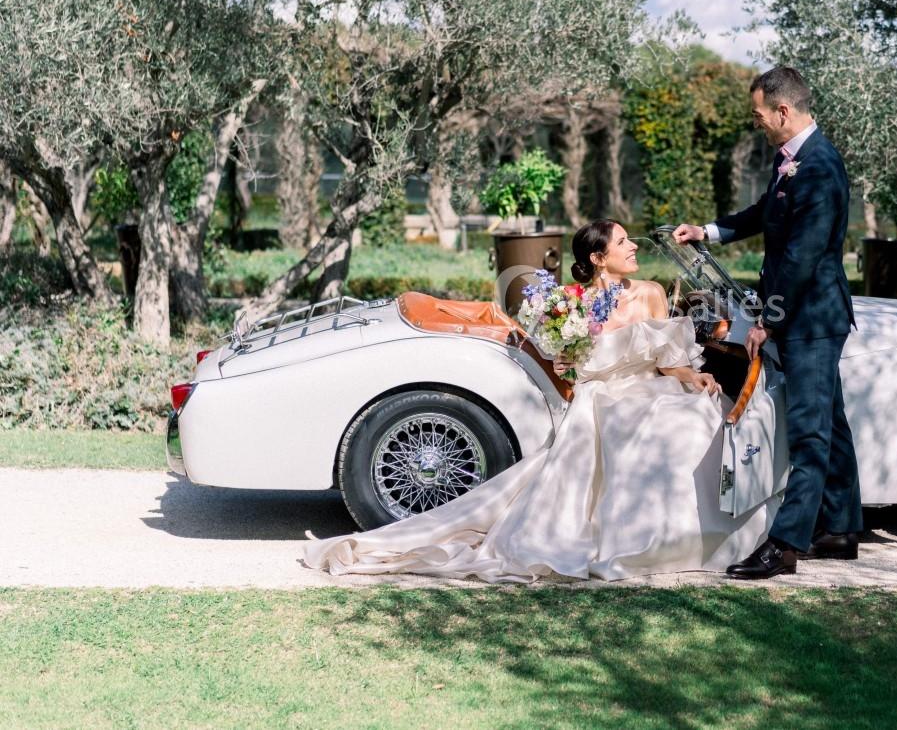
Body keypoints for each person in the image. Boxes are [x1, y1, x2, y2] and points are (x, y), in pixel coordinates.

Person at [303, 219, 773, 582]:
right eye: (623, 242)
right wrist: (568, 359)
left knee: (690, 416)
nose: (633, 248)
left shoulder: (649, 293)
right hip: (602, 395)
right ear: (599, 256)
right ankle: (624, 542)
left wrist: (691, 375)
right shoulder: (568, 305)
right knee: (626, 425)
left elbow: (666, 358)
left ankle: (686, 537)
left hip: (651, 385)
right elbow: (571, 364)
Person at [673, 65, 861, 580]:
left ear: (783, 110)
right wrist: (707, 231)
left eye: (759, 113)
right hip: (805, 315)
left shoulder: (819, 164)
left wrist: (769, 321)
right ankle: (841, 530)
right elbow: (765, 213)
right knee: (832, 425)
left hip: (811, 319)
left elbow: (803, 254)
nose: (756, 121)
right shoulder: (794, 161)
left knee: (809, 433)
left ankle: (784, 545)